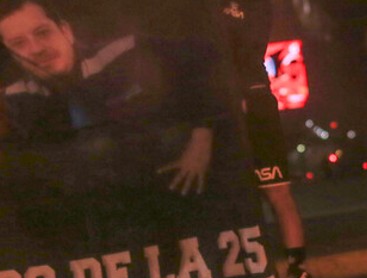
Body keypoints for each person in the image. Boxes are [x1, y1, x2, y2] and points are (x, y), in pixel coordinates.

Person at [0, 0, 228, 251]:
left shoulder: (126, 51)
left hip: (180, 202)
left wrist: (202, 136)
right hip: (101, 226)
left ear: (66, 30)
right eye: (19, 44)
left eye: (42, 33)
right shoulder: (13, 100)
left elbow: (206, 60)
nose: (36, 49)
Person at [217, 0, 318, 278]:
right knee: (230, 196)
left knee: (277, 192)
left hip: (255, 102)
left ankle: (298, 274)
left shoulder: (256, 7)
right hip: (219, 108)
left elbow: (245, 44)